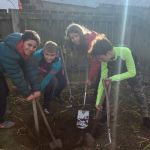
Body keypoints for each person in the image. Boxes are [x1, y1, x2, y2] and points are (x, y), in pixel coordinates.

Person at [91, 36, 150, 128]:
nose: (100, 61)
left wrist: (113, 78)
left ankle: (146, 116)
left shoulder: (125, 51)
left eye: (101, 58)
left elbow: (132, 72)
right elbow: (102, 81)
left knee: (138, 92)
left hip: (132, 69)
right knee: (112, 91)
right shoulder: (105, 61)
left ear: (108, 53)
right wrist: (98, 101)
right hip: (116, 68)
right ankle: (110, 114)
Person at [0, 30, 41, 128]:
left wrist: (36, 89)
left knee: (4, 91)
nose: (31, 49)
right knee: (1, 92)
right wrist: (27, 94)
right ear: (23, 41)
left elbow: (31, 70)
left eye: (34, 47)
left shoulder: (26, 53)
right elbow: (16, 75)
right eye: (29, 45)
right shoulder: (9, 52)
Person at [65, 23, 104, 99]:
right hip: (100, 60)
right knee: (99, 83)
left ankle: (101, 104)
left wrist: (89, 78)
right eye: (72, 38)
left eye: (76, 36)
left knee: (101, 83)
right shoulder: (83, 42)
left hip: (106, 58)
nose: (75, 39)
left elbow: (95, 63)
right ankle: (97, 99)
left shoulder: (90, 42)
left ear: (81, 33)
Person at [33, 41, 66, 114]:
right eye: (46, 54)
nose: (49, 57)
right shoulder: (36, 56)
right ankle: (46, 105)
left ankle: (55, 95)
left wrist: (39, 90)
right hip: (42, 68)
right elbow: (31, 70)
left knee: (63, 82)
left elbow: (48, 78)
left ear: (57, 54)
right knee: (52, 83)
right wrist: (37, 89)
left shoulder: (58, 63)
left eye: (52, 55)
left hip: (54, 68)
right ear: (43, 51)